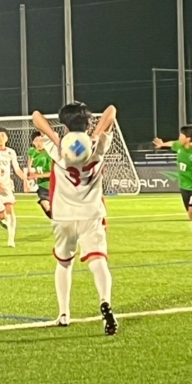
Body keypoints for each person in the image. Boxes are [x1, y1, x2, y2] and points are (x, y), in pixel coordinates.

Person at [32, 102, 118, 335]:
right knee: (98, 261)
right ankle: (105, 301)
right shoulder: (97, 146)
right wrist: (96, 134)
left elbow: (36, 116)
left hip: (63, 216)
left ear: (65, 125)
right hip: (92, 214)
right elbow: (111, 110)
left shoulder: (58, 149)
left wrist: (56, 138)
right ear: (88, 124)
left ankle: (63, 313)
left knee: (64, 262)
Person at [27, 131, 53, 219]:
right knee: (44, 204)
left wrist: (36, 175)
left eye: (41, 140)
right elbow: (30, 158)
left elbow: (53, 173)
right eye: (36, 140)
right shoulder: (32, 151)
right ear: (33, 142)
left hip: (53, 184)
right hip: (42, 185)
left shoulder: (49, 154)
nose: (39, 143)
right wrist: (29, 169)